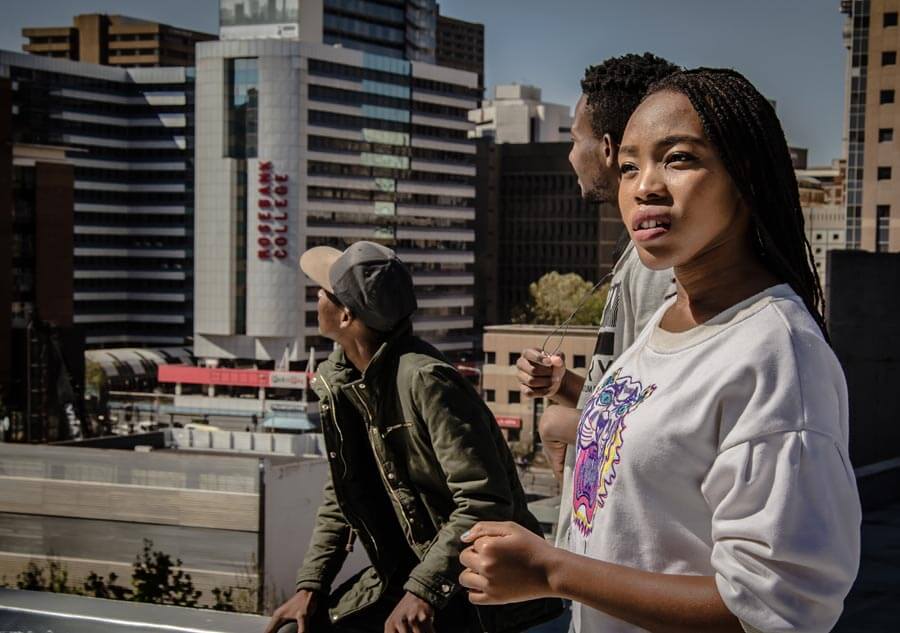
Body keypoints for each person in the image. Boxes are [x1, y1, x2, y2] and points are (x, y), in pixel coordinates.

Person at [459, 68, 861, 633]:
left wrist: (553, 571)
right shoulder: (671, 312)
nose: (644, 184)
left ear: (745, 174)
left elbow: (777, 609)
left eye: (677, 159)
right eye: (628, 166)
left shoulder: (776, 353)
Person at [265, 241, 562, 633]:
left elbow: (484, 503)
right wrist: (311, 585)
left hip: (476, 600)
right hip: (405, 579)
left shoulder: (427, 382)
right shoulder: (345, 384)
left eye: (324, 293)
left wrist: (422, 591)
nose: (316, 296)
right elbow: (343, 496)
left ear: (346, 316)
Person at [515, 54, 678, 545]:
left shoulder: (658, 265)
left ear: (607, 148)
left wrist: (569, 424)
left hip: (624, 554)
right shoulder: (638, 255)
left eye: (572, 138)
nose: (569, 155)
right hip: (600, 553)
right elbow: (629, 394)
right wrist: (567, 386)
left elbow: (663, 419)